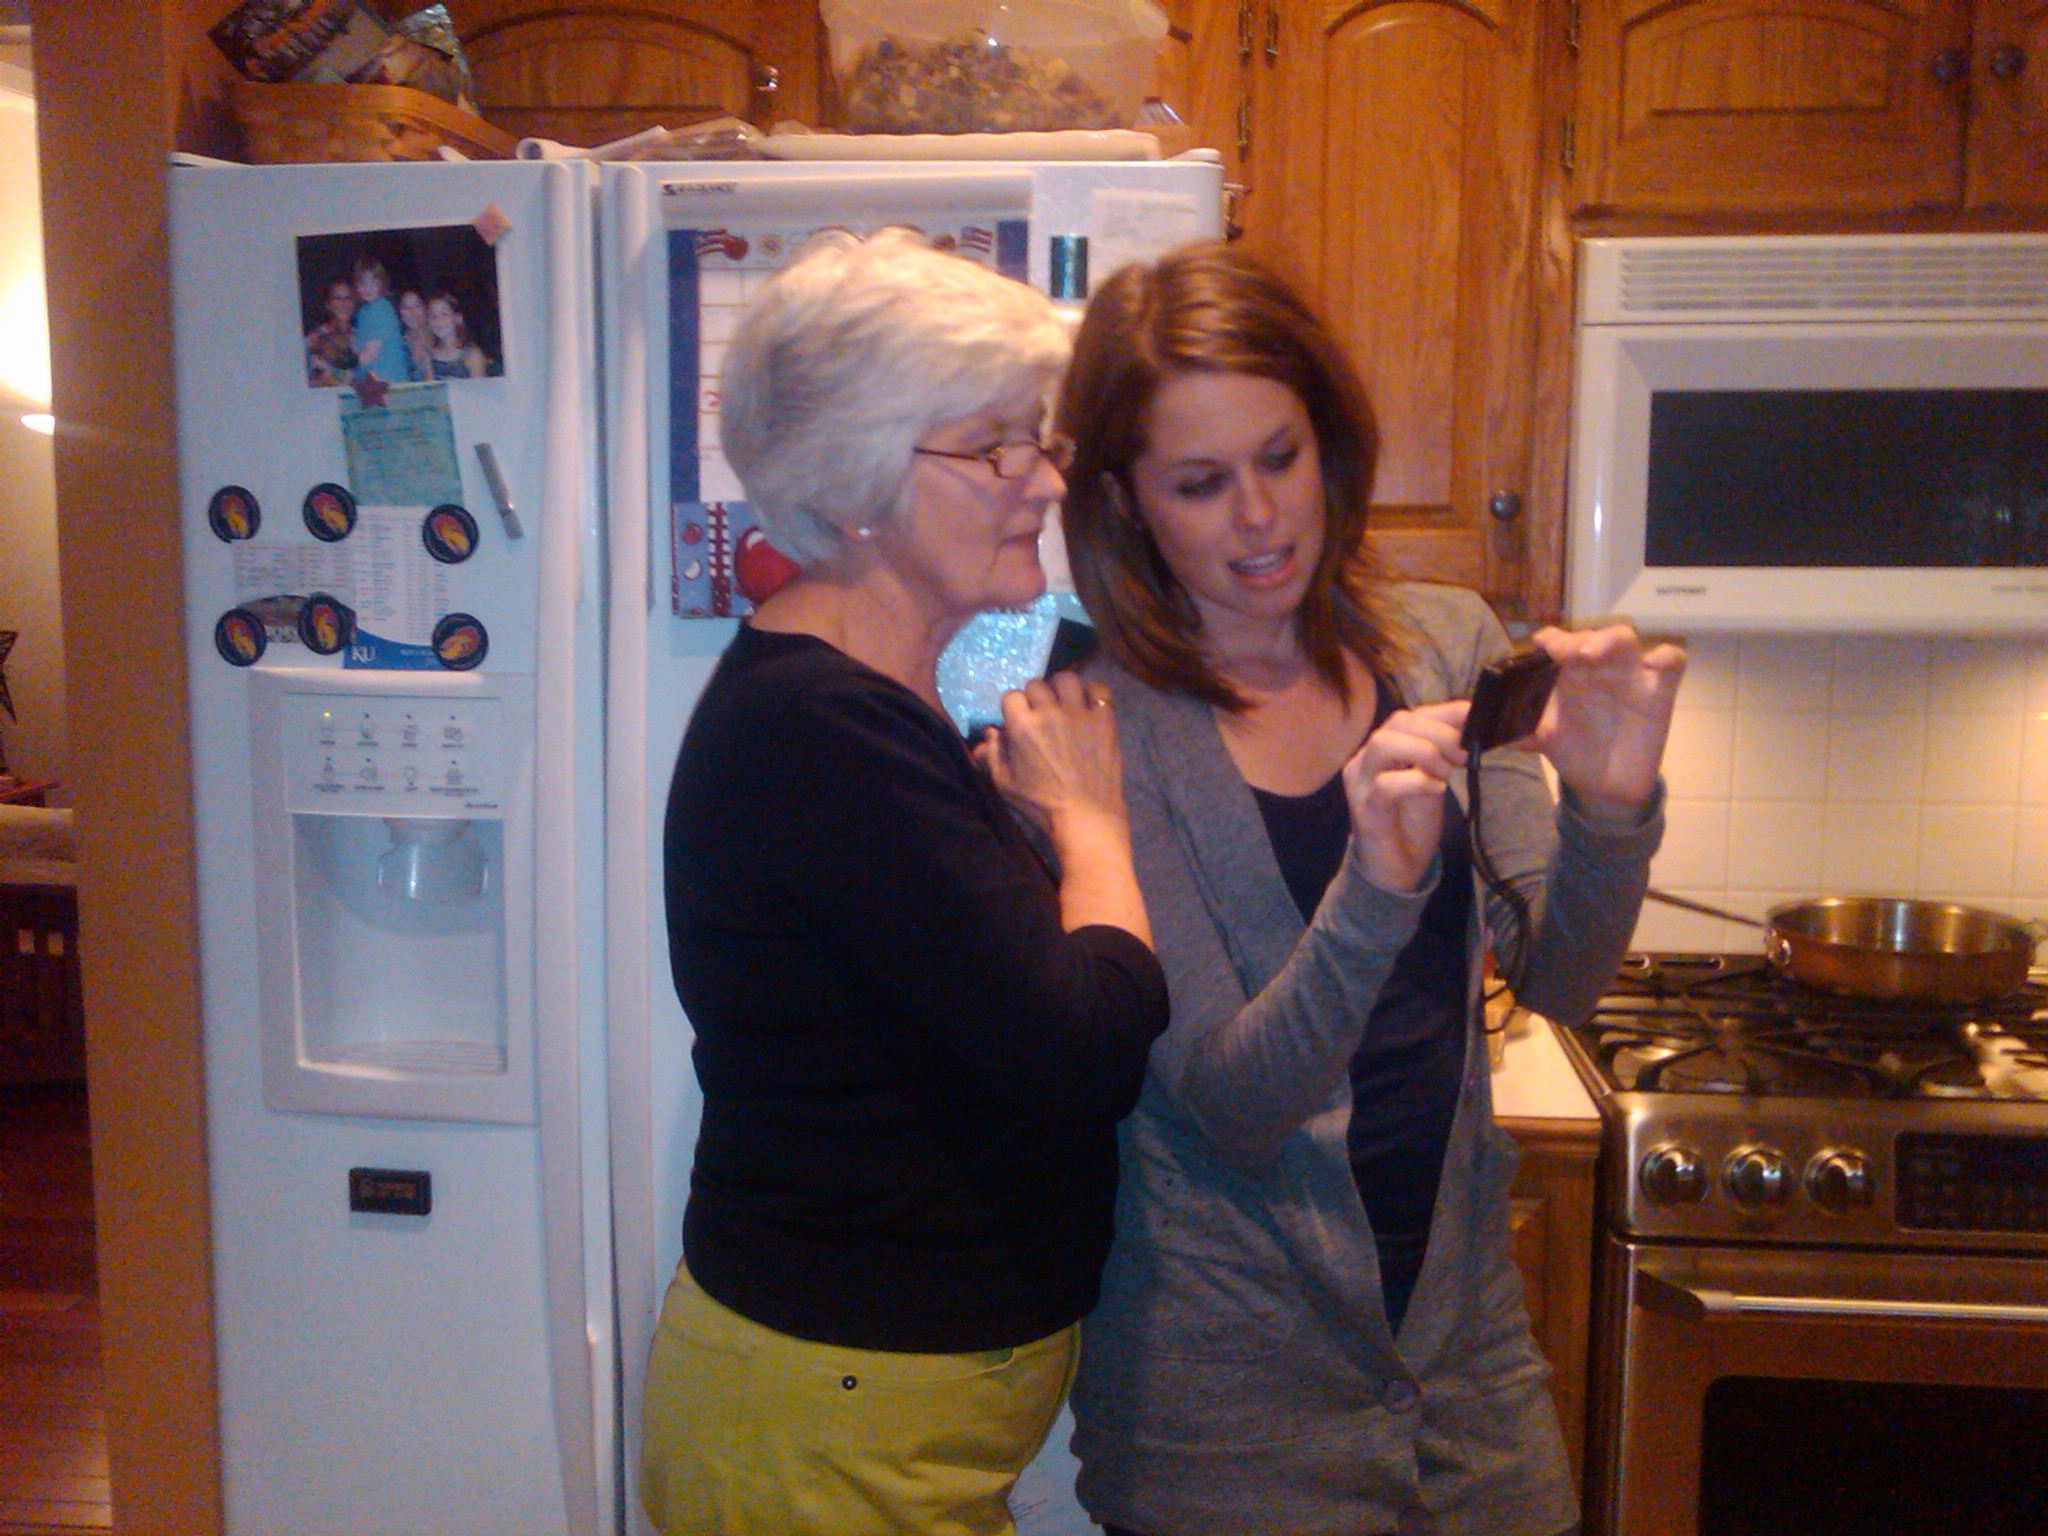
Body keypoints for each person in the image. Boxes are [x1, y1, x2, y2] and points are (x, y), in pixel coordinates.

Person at [1052, 242, 1685, 1536]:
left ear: (1328, 443)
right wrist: (1374, 889)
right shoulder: (1103, 726)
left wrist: (1611, 810)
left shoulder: (1443, 642)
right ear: (1124, 500)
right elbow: (1233, 1104)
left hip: (1466, 1371)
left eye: (1279, 457)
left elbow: (1559, 980)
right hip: (1224, 1417)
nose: (1258, 516)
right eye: (1199, 483)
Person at [640, 227, 1171, 1536]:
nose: (1044, 480)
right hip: (831, 1427)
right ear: (855, 484)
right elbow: (1084, 1048)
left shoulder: (861, 707)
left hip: (858, 1410)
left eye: (1033, 440)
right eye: (993, 448)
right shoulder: (823, 731)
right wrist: (1090, 821)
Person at [348, 255, 409, 386]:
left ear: (382, 283)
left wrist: (344, 371)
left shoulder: (380, 309)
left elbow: (368, 356)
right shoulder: (364, 310)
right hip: (374, 383)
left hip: (388, 382)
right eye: (362, 283)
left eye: (373, 282)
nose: (367, 288)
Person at [422, 290, 491, 379]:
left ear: (457, 318)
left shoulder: (472, 354)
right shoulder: (430, 355)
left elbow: (480, 386)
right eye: (433, 316)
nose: (439, 320)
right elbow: (429, 385)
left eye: (444, 314)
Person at [304, 276, 357, 387]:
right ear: (328, 305)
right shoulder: (316, 338)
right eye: (337, 298)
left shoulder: (362, 335)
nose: (343, 303)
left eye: (348, 298)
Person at [397, 287, 431, 382]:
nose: (413, 312)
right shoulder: (400, 343)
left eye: (417, 306)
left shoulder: (438, 336)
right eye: (406, 308)